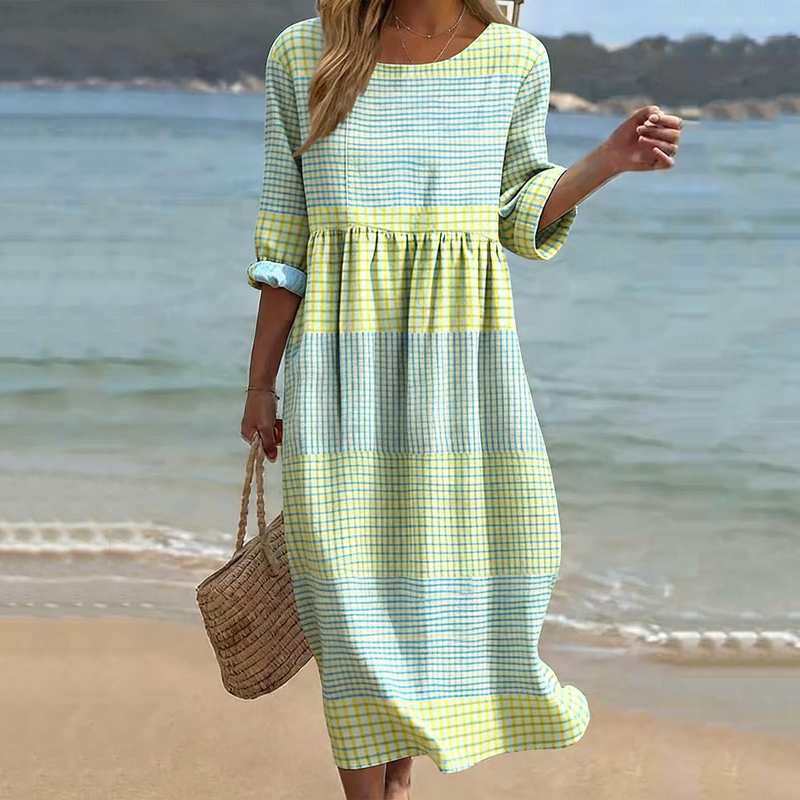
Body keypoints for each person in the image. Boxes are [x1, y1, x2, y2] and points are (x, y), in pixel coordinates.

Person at [240, 1, 683, 798]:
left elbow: (515, 214)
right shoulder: (304, 54)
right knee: (345, 594)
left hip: (464, 379)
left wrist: (606, 162)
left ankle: (398, 776)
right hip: (339, 373)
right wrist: (261, 382)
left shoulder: (514, 60)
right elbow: (286, 233)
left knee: (449, 579)